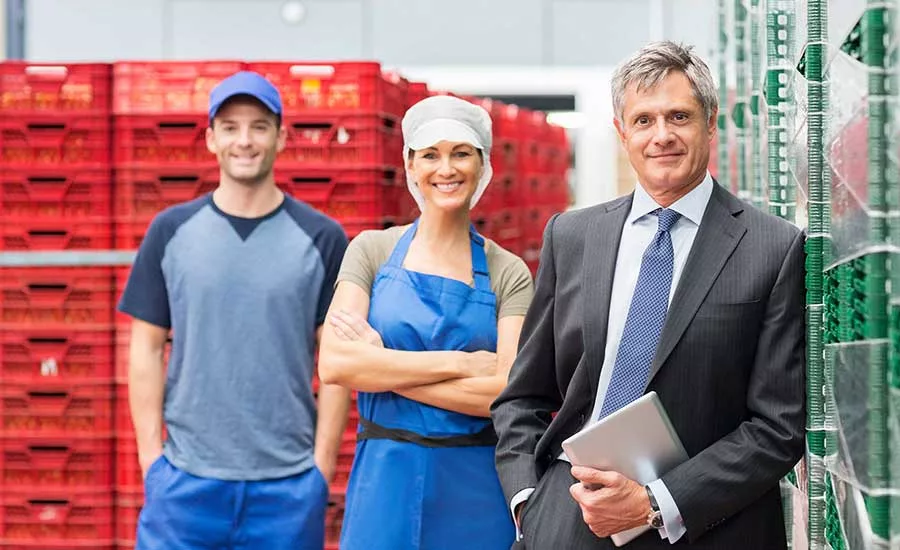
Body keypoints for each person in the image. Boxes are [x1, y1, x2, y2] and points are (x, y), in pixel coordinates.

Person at [492, 41, 806, 549]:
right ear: (622, 132)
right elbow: (523, 395)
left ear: (710, 122)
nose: (662, 136)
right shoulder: (572, 237)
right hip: (572, 519)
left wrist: (655, 503)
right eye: (643, 120)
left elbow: (778, 427)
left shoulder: (773, 248)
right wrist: (532, 501)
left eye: (679, 116)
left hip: (707, 526)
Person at [118, 71, 350, 550]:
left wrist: (320, 469)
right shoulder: (170, 231)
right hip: (184, 481)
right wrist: (151, 461)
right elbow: (144, 347)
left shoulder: (323, 237)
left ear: (282, 137)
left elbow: (336, 363)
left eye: (259, 126)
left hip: (287, 484)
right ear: (211, 139)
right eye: (230, 126)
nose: (244, 140)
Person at [317, 94, 534, 549]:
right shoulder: (371, 251)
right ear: (410, 166)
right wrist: (461, 363)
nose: (446, 169)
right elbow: (336, 364)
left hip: (476, 488)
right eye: (430, 154)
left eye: (461, 154)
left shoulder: (508, 272)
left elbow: (505, 394)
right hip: (384, 480)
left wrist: (379, 369)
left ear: (483, 166)